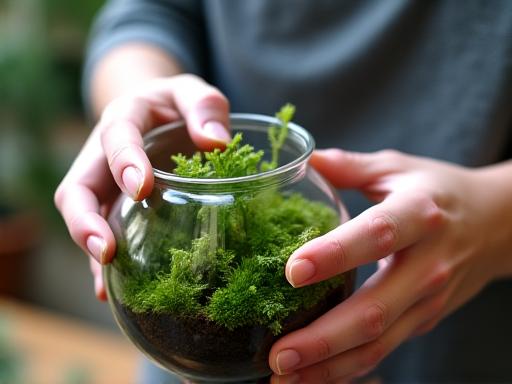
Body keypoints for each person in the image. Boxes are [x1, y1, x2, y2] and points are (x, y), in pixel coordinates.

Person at [55, 1, 512, 383]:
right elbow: (152, 12)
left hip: (458, 350)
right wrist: (141, 102)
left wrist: (491, 219)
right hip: (185, 370)